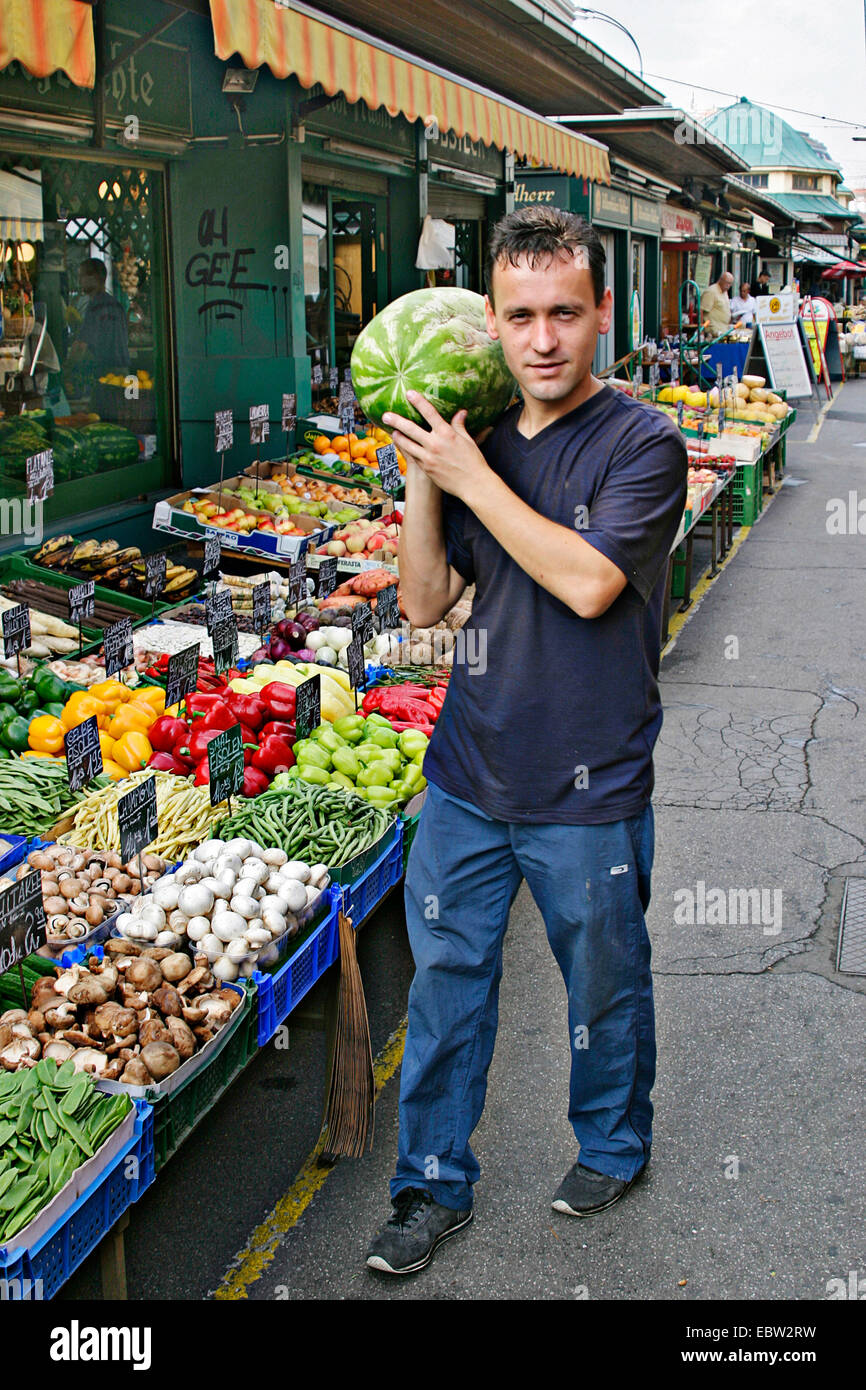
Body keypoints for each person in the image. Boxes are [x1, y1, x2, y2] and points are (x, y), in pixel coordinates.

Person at [365, 206, 688, 1277]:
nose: (542, 338)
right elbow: (419, 609)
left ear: (601, 313)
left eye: (563, 312)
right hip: (466, 771)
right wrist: (423, 469)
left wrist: (471, 479)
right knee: (445, 981)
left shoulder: (643, 442)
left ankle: (610, 1143)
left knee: (600, 982)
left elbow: (590, 583)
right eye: (519, 316)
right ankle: (428, 1185)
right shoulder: (475, 442)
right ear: (490, 325)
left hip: (587, 780)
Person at [66, 257, 130, 415]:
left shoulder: (95, 307)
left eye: (81, 276)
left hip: (105, 376)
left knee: (99, 418)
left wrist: (67, 369)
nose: (79, 280)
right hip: (125, 373)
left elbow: (81, 345)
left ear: (94, 278)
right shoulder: (117, 305)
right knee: (126, 415)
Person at [700, 270, 734, 336]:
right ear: (720, 280)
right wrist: (701, 330)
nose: (728, 285)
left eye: (730, 283)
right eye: (727, 282)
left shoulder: (725, 292)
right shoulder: (711, 291)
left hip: (724, 330)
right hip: (714, 332)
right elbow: (701, 310)